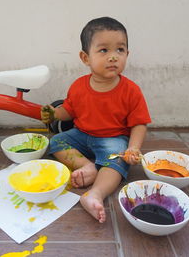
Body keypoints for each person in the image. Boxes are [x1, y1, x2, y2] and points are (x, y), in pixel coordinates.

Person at [41, 16, 151, 223]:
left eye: (120, 50)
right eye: (103, 50)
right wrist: (54, 114)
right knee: (56, 141)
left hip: (113, 139)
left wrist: (133, 148)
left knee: (117, 160)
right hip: (82, 135)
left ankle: (95, 193)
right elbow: (69, 110)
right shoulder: (78, 86)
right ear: (85, 57)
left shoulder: (131, 91)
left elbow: (139, 123)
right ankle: (88, 167)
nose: (113, 57)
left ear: (127, 54)